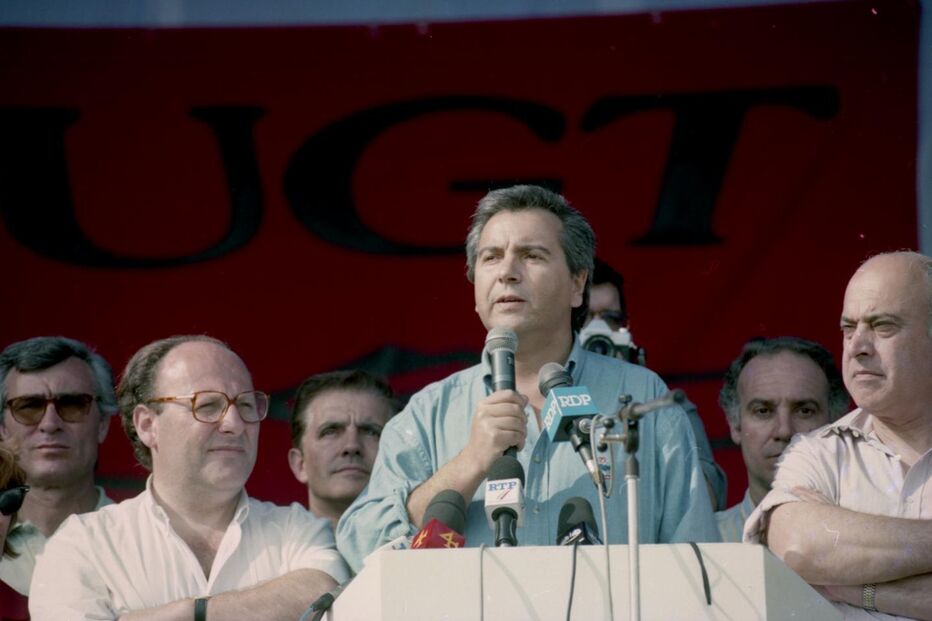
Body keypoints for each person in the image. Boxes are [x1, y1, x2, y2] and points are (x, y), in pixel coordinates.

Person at [337, 184, 718, 572]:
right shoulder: (430, 410)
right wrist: (469, 463)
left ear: (576, 285)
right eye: (491, 258)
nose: (506, 272)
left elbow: (696, 559)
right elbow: (363, 545)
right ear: (474, 290)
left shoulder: (640, 395)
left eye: (531, 255)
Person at [30, 335, 348, 620]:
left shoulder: (298, 529)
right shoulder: (83, 546)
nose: (235, 423)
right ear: (147, 425)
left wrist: (189, 612)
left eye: (247, 405)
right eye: (208, 405)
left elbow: (324, 590)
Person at [746, 251, 932, 620]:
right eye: (849, 328)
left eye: (882, 326)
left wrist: (857, 589)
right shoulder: (818, 453)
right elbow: (799, 548)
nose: (858, 347)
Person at [587, 258, 727, 510]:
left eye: (610, 318)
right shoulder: (545, 395)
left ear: (625, 326)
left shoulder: (659, 399)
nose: (597, 329)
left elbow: (707, 500)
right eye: (585, 317)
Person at [0, 336, 116, 597]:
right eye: (29, 406)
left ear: (103, 425)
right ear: (2, 428)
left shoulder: (147, 538)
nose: (50, 424)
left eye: (72, 404)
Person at [714, 337, 848, 542]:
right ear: (735, 424)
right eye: (763, 411)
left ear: (836, 423)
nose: (784, 431)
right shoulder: (705, 540)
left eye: (804, 411)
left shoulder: (871, 536)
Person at [288, 370, 396, 529]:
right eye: (330, 431)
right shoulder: (270, 550)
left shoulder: (430, 550)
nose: (352, 446)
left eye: (371, 432)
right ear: (300, 464)